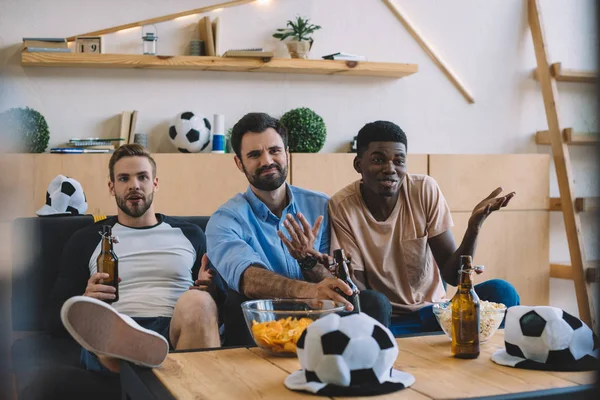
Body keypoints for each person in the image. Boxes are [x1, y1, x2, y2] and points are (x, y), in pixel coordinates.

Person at [206, 113, 391, 345]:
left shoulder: (321, 205)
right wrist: (309, 291)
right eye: (254, 155)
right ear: (239, 163)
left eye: (274, 150)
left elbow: (333, 281)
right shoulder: (225, 220)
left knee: (373, 302)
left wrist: (308, 261)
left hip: (321, 314)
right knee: (237, 303)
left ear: (287, 153)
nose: (267, 161)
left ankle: (366, 371)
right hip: (266, 319)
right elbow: (248, 279)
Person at [328, 121, 520, 335]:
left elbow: (453, 277)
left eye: (399, 161)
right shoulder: (342, 206)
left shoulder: (423, 190)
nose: (390, 168)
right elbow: (360, 292)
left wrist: (473, 227)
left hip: (438, 314)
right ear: (358, 164)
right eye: (378, 160)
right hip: (389, 321)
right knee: (375, 303)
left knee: (502, 292)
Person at [46, 144, 225, 373]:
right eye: (124, 178)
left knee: (200, 302)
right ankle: (145, 358)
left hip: (174, 331)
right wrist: (84, 300)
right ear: (112, 187)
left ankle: (152, 359)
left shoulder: (190, 234)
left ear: (155, 183)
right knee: (106, 322)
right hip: (116, 326)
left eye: (142, 177)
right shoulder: (87, 239)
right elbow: (51, 317)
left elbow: (218, 307)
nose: (134, 185)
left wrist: (211, 288)